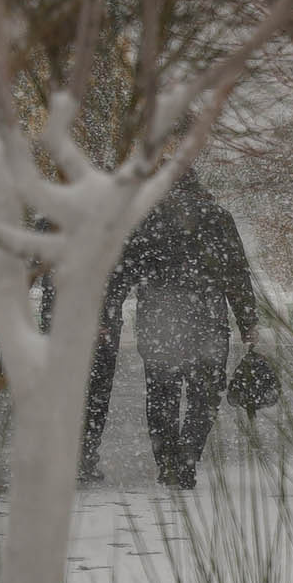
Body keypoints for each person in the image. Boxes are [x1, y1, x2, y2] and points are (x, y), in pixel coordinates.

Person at [79, 170, 262, 489]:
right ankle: (187, 457)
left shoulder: (145, 218)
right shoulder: (218, 217)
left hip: (159, 320)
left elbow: (121, 272)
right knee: (204, 394)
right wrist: (247, 323)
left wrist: (106, 314)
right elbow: (236, 274)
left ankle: (168, 464)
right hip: (207, 319)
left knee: (162, 394)